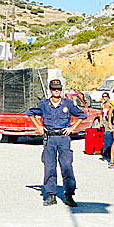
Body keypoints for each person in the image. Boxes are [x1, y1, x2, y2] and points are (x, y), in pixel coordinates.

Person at [26, 78, 87, 207]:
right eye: (54, 89)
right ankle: (51, 195)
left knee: (67, 166)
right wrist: (38, 126)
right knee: (49, 167)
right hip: (49, 139)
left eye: (59, 89)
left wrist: (73, 128)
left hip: (63, 138)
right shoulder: (43, 104)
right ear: (50, 90)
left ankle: (69, 195)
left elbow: (82, 115)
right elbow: (30, 113)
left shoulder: (68, 104)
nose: (56, 91)